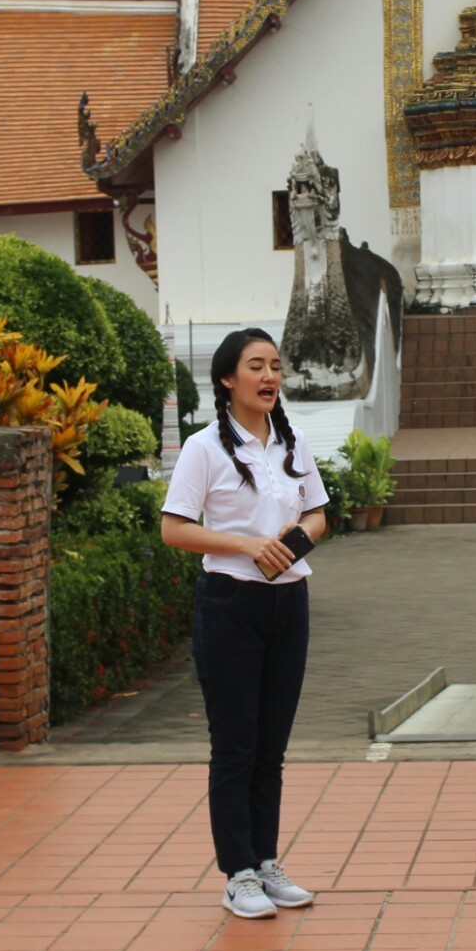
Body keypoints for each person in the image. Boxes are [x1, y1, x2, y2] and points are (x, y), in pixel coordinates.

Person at [161, 328, 331, 920]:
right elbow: (175, 528)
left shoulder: (293, 440)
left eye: (276, 366)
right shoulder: (203, 447)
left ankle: (265, 861)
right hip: (229, 605)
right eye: (255, 366)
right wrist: (247, 546)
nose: (269, 377)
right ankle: (238, 873)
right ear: (228, 379)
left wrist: (294, 543)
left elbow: (318, 513)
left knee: (271, 748)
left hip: (289, 604)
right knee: (235, 745)